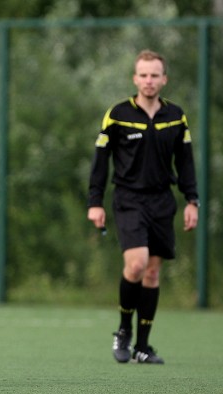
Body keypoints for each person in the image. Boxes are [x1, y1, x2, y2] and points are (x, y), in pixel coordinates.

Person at [87, 49, 199, 365]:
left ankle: (143, 346)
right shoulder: (118, 113)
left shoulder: (176, 116)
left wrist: (193, 200)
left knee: (152, 272)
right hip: (129, 199)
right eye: (143, 75)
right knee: (136, 265)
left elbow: (186, 163)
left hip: (163, 200)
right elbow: (100, 162)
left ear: (164, 79)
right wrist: (95, 202)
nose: (149, 81)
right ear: (135, 78)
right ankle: (123, 330)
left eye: (155, 75)